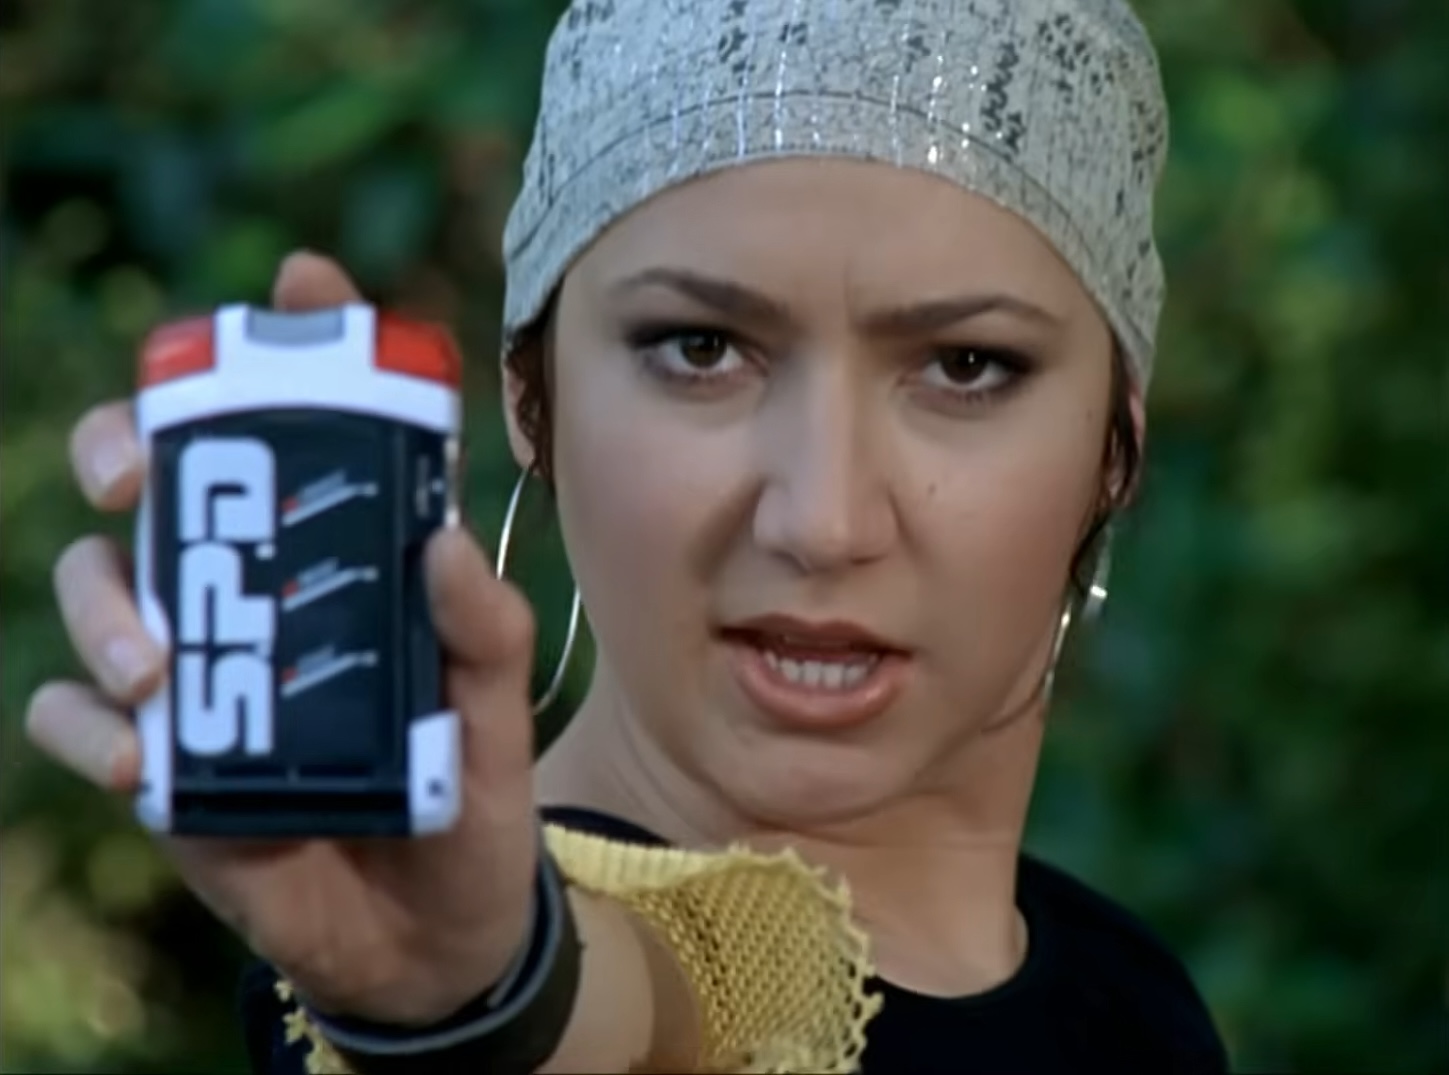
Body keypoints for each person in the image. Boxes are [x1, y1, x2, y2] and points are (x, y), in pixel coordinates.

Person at [26, 0, 1232, 1071]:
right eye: (701, 348)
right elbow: (648, 1006)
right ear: (531, 394)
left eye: (967, 365)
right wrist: (475, 998)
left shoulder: (1133, 995)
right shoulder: (521, 945)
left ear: (1113, 448)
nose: (822, 520)